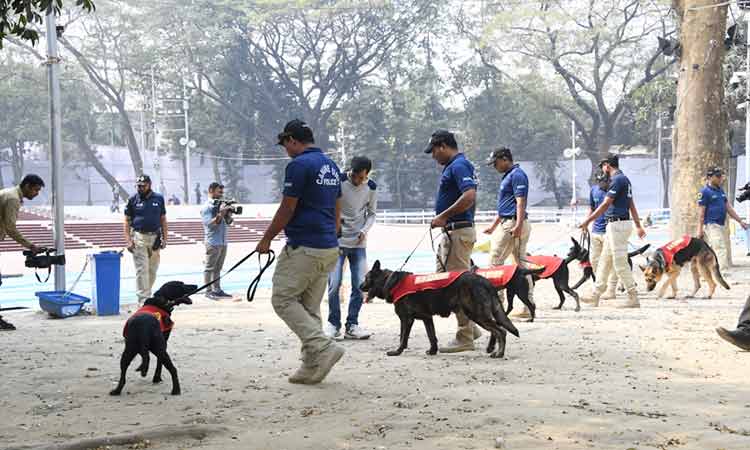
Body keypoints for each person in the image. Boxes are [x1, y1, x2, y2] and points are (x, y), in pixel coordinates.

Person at [255, 119, 344, 385]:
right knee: (309, 307)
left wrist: (266, 238)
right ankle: (311, 364)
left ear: (293, 140)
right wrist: (334, 228)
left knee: (282, 299)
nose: (286, 150)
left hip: (305, 244)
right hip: (328, 244)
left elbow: (287, 208)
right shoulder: (330, 164)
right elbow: (339, 200)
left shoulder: (298, 165)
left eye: (285, 144)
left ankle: (323, 346)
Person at [424, 130, 479, 353]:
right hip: (452, 232)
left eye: (434, 151)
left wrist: (444, 216)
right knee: (444, 282)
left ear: (443, 146)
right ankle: (472, 327)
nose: (433, 156)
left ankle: (465, 336)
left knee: (457, 286)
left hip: (457, 231)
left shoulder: (459, 165)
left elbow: (469, 197)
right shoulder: (456, 165)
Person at [580, 154, 646, 308]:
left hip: (617, 225)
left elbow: (604, 205)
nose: (603, 169)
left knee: (620, 262)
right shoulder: (624, 180)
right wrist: (638, 225)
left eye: (603, 166)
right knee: (604, 259)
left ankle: (633, 296)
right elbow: (632, 204)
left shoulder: (617, 180)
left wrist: (587, 221)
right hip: (617, 225)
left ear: (607, 166)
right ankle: (596, 294)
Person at [324, 156, 377, 340]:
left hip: (358, 243)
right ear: (350, 171)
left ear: (366, 174)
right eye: (354, 176)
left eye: (360, 177)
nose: (356, 180)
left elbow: (372, 214)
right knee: (334, 284)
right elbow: (329, 206)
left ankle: (352, 324)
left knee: (359, 285)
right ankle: (333, 324)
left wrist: (364, 230)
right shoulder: (338, 181)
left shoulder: (371, 187)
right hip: (337, 241)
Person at [483, 147, 534, 318]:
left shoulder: (517, 174)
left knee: (494, 261)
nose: (494, 166)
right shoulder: (509, 175)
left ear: (505, 159)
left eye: (495, 163)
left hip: (513, 223)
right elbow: (506, 205)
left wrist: (518, 224)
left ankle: (497, 306)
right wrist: (493, 225)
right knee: (520, 265)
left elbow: (520, 202)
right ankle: (528, 306)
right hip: (510, 221)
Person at [0, 174, 44, 330]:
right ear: (27, 186)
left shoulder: (8, 193)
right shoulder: (13, 199)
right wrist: (30, 245)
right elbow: (11, 228)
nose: (36, 194)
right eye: (36, 190)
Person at [124, 175, 168, 304]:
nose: (140, 188)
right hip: (139, 237)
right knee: (142, 269)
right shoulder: (132, 199)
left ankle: (147, 293)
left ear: (149, 185)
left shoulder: (159, 199)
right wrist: (128, 240)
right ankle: (143, 299)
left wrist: (165, 238)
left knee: (152, 270)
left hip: (155, 238)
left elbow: (163, 219)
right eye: (138, 186)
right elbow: (126, 221)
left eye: (143, 185)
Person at [697, 167, 747, 270]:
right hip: (711, 225)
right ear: (710, 177)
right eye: (718, 176)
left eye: (721, 175)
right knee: (720, 248)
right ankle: (723, 273)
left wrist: (740, 221)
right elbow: (701, 213)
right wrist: (700, 229)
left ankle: (709, 273)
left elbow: (728, 208)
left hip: (720, 225)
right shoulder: (705, 192)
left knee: (712, 250)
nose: (721, 178)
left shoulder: (720, 191)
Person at [586, 170, 618, 300]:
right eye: (599, 182)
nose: (601, 184)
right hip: (595, 230)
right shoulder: (594, 190)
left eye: (604, 181)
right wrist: (587, 223)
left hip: (609, 231)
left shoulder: (613, 191)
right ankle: (600, 285)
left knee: (610, 262)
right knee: (594, 260)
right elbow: (592, 208)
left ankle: (611, 288)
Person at [201, 182, 234, 300]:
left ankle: (217, 289)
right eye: (219, 192)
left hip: (223, 241)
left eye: (222, 192)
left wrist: (228, 214)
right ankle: (208, 291)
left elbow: (229, 223)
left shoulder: (221, 205)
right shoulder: (207, 207)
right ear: (211, 190)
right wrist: (220, 214)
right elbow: (209, 225)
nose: (221, 194)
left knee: (218, 268)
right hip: (213, 241)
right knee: (209, 268)